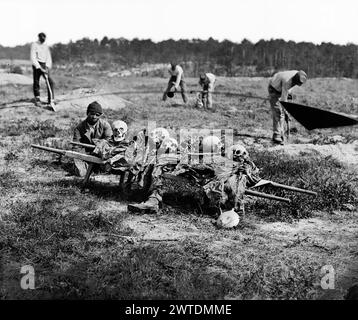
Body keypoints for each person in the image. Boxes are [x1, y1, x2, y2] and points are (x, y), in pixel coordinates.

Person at [72, 101, 113, 176]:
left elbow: (110, 140)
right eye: (92, 114)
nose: (94, 117)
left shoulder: (105, 125)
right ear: (87, 113)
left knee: (107, 170)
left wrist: (101, 143)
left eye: (97, 115)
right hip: (86, 155)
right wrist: (82, 157)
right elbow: (76, 147)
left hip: (101, 155)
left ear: (100, 115)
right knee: (81, 173)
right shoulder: (79, 128)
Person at [268, 70, 307, 144]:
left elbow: (288, 93)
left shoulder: (298, 74)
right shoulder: (287, 81)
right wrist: (286, 111)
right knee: (278, 112)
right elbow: (283, 100)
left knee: (285, 114)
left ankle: (284, 133)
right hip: (274, 88)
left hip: (284, 89)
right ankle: (277, 135)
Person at [30, 32, 55, 108]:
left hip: (45, 64)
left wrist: (47, 67)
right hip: (37, 65)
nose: (43, 39)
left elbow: (48, 57)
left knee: (50, 82)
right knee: (36, 81)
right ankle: (37, 99)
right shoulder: (34, 45)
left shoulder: (46, 45)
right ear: (39, 38)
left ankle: (51, 99)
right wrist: (39, 67)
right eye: (41, 38)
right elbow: (33, 57)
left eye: (44, 38)